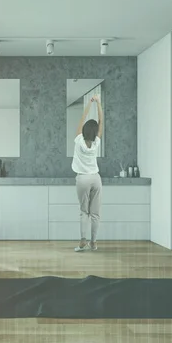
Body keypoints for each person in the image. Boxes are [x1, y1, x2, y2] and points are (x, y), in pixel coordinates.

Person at [71, 94, 103, 252]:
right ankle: (94, 242)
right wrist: (98, 103)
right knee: (95, 213)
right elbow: (101, 122)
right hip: (96, 179)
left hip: (82, 179)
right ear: (95, 132)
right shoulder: (97, 142)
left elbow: (82, 120)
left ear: (84, 130)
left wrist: (89, 104)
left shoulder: (78, 141)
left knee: (84, 211)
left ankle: (83, 240)